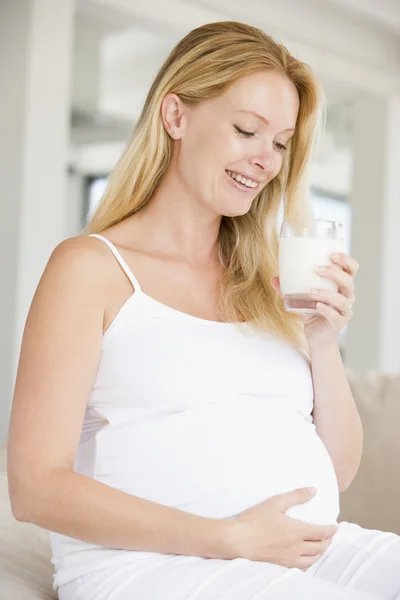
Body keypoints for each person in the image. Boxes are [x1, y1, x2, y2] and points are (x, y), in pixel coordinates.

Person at [7, 21, 400, 600]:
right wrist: (229, 537)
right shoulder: (91, 268)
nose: (266, 160)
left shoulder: (266, 282)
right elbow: (34, 487)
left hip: (309, 547)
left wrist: (321, 339)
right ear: (175, 116)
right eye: (247, 130)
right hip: (153, 567)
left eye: (281, 142)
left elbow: (336, 473)